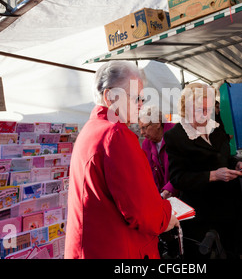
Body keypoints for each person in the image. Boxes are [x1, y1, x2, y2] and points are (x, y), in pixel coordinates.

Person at [65, 60, 179, 259]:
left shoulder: (92, 129)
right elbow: (142, 212)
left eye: (142, 98)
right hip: (116, 248)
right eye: (136, 98)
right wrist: (166, 216)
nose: (141, 104)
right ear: (110, 97)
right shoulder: (115, 134)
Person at [164, 83, 242, 259]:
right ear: (187, 108)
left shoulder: (215, 127)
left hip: (228, 209)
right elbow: (178, 178)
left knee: (231, 254)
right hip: (200, 215)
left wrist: (236, 164)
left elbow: (224, 156)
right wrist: (213, 176)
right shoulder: (175, 136)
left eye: (209, 109)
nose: (206, 114)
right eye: (201, 109)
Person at [139, 105, 178, 199]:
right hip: (162, 196)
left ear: (157, 123)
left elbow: (183, 168)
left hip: (180, 193)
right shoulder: (146, 144)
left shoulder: (176, 135)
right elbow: (148, 172)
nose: (141, 132)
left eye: (144, 127)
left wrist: (169, 189)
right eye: (140, 128)